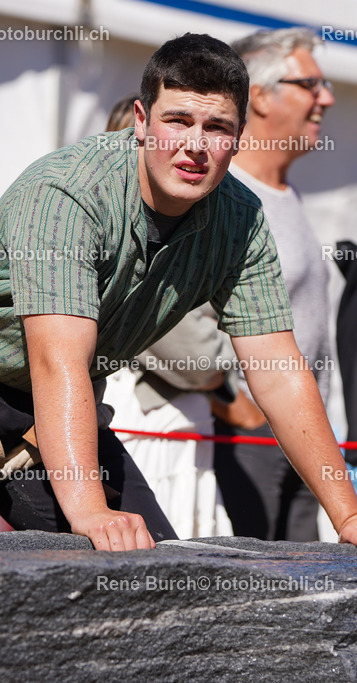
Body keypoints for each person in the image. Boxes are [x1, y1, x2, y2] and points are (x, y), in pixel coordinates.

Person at [0, 33, 357, 557]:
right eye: (178, 120)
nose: (195, 145)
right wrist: (89, 512)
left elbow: (279, 370)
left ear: (239, 136)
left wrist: (350, 516)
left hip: (49, 394)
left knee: (156, 577)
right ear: (140, 120)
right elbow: (57, 359)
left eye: (216, 128)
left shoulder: (242, 218)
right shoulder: (69, 190)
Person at [210, 27, 335, 542]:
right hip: (252, 438)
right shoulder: (225, 191)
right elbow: (178, 303)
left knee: (302, 596)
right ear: (259, 96)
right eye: (311, 84)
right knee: (253, 600)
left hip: (303, 434)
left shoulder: (285, 194)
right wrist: (229, 399)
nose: (327, 98)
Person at [102, 93, 234, 539]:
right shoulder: (120, 238)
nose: (189, 148)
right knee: (153, 555)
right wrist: (226, 353)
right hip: (147, 432)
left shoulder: (210, 222)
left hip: (179, 435)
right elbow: (201, 360)